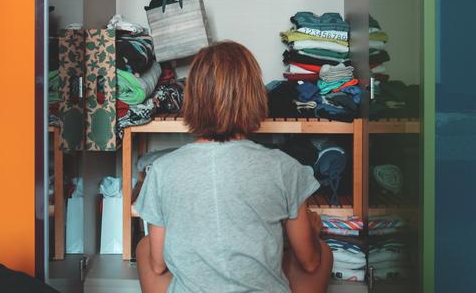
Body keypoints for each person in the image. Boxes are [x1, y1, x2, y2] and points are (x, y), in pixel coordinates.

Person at [135, 41, 333, 293]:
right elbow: (309, 261)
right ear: (255, 96)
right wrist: (313, 234)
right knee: (322, 253)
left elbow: (158, 264)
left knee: (145, 248)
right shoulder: (284, 167)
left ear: (193, 98)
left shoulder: (162, 170)